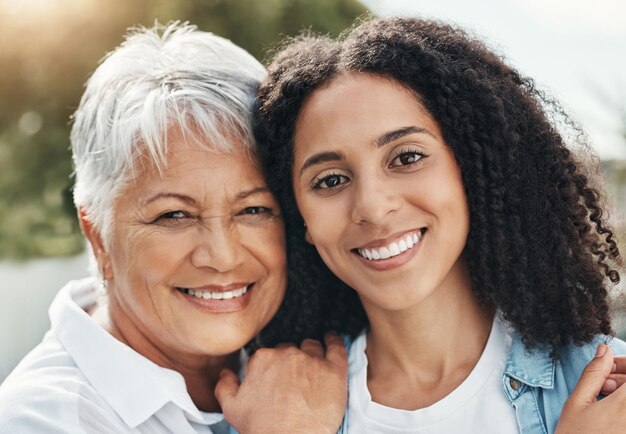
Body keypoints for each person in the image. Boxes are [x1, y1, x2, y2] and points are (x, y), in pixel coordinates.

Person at [252, 16, 626, 433]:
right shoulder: (269, 413)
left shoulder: (609, 395)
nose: (373, 208)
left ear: (469, 166)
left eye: (407, 157)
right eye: (331, 180)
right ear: (299, 214)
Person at [0, 22, 346, 433]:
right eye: (174, 216)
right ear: (97, 236)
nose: (223, 256)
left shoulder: (315, 359)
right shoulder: (44, 419)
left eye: (254, 209)